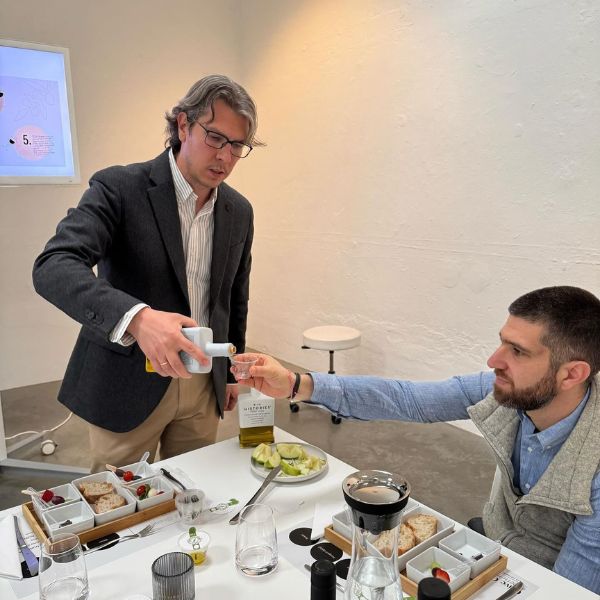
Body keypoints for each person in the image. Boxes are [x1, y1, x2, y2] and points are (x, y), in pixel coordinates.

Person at [233, 286, 600, 594]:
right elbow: (407, 398)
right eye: (502, 343)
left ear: (572, 374)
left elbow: (569, 590)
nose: (493, 360)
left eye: (517, 351)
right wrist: (296, 383)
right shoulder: (504, 390)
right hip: (483, 551)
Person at [33, 75, 260, 473]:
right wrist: (138, 318)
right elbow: (54, 264)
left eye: (237, 145)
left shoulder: (238, 211)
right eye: (215, 138)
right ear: (184, 125)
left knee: (193, 488)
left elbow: (233, 297)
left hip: (202, 380)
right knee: (120, 501)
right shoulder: (120, 187)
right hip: (128, 381)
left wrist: (229, 372)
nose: (225, 157)